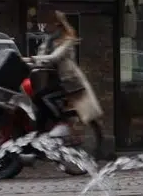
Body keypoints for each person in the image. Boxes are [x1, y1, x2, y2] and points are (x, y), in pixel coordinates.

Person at [30, 10, 103, 139]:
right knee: (36, 99)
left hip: (69, 81)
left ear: (57, 24)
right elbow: (41, 58)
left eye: (48, 23)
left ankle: (62, 124)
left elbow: (54, 57)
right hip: (55, 80)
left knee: (44, 98)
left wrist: (34, 58)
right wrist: (25, 60)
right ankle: (40, 136)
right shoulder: (49, 40)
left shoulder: (67, 40)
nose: (45, 26)